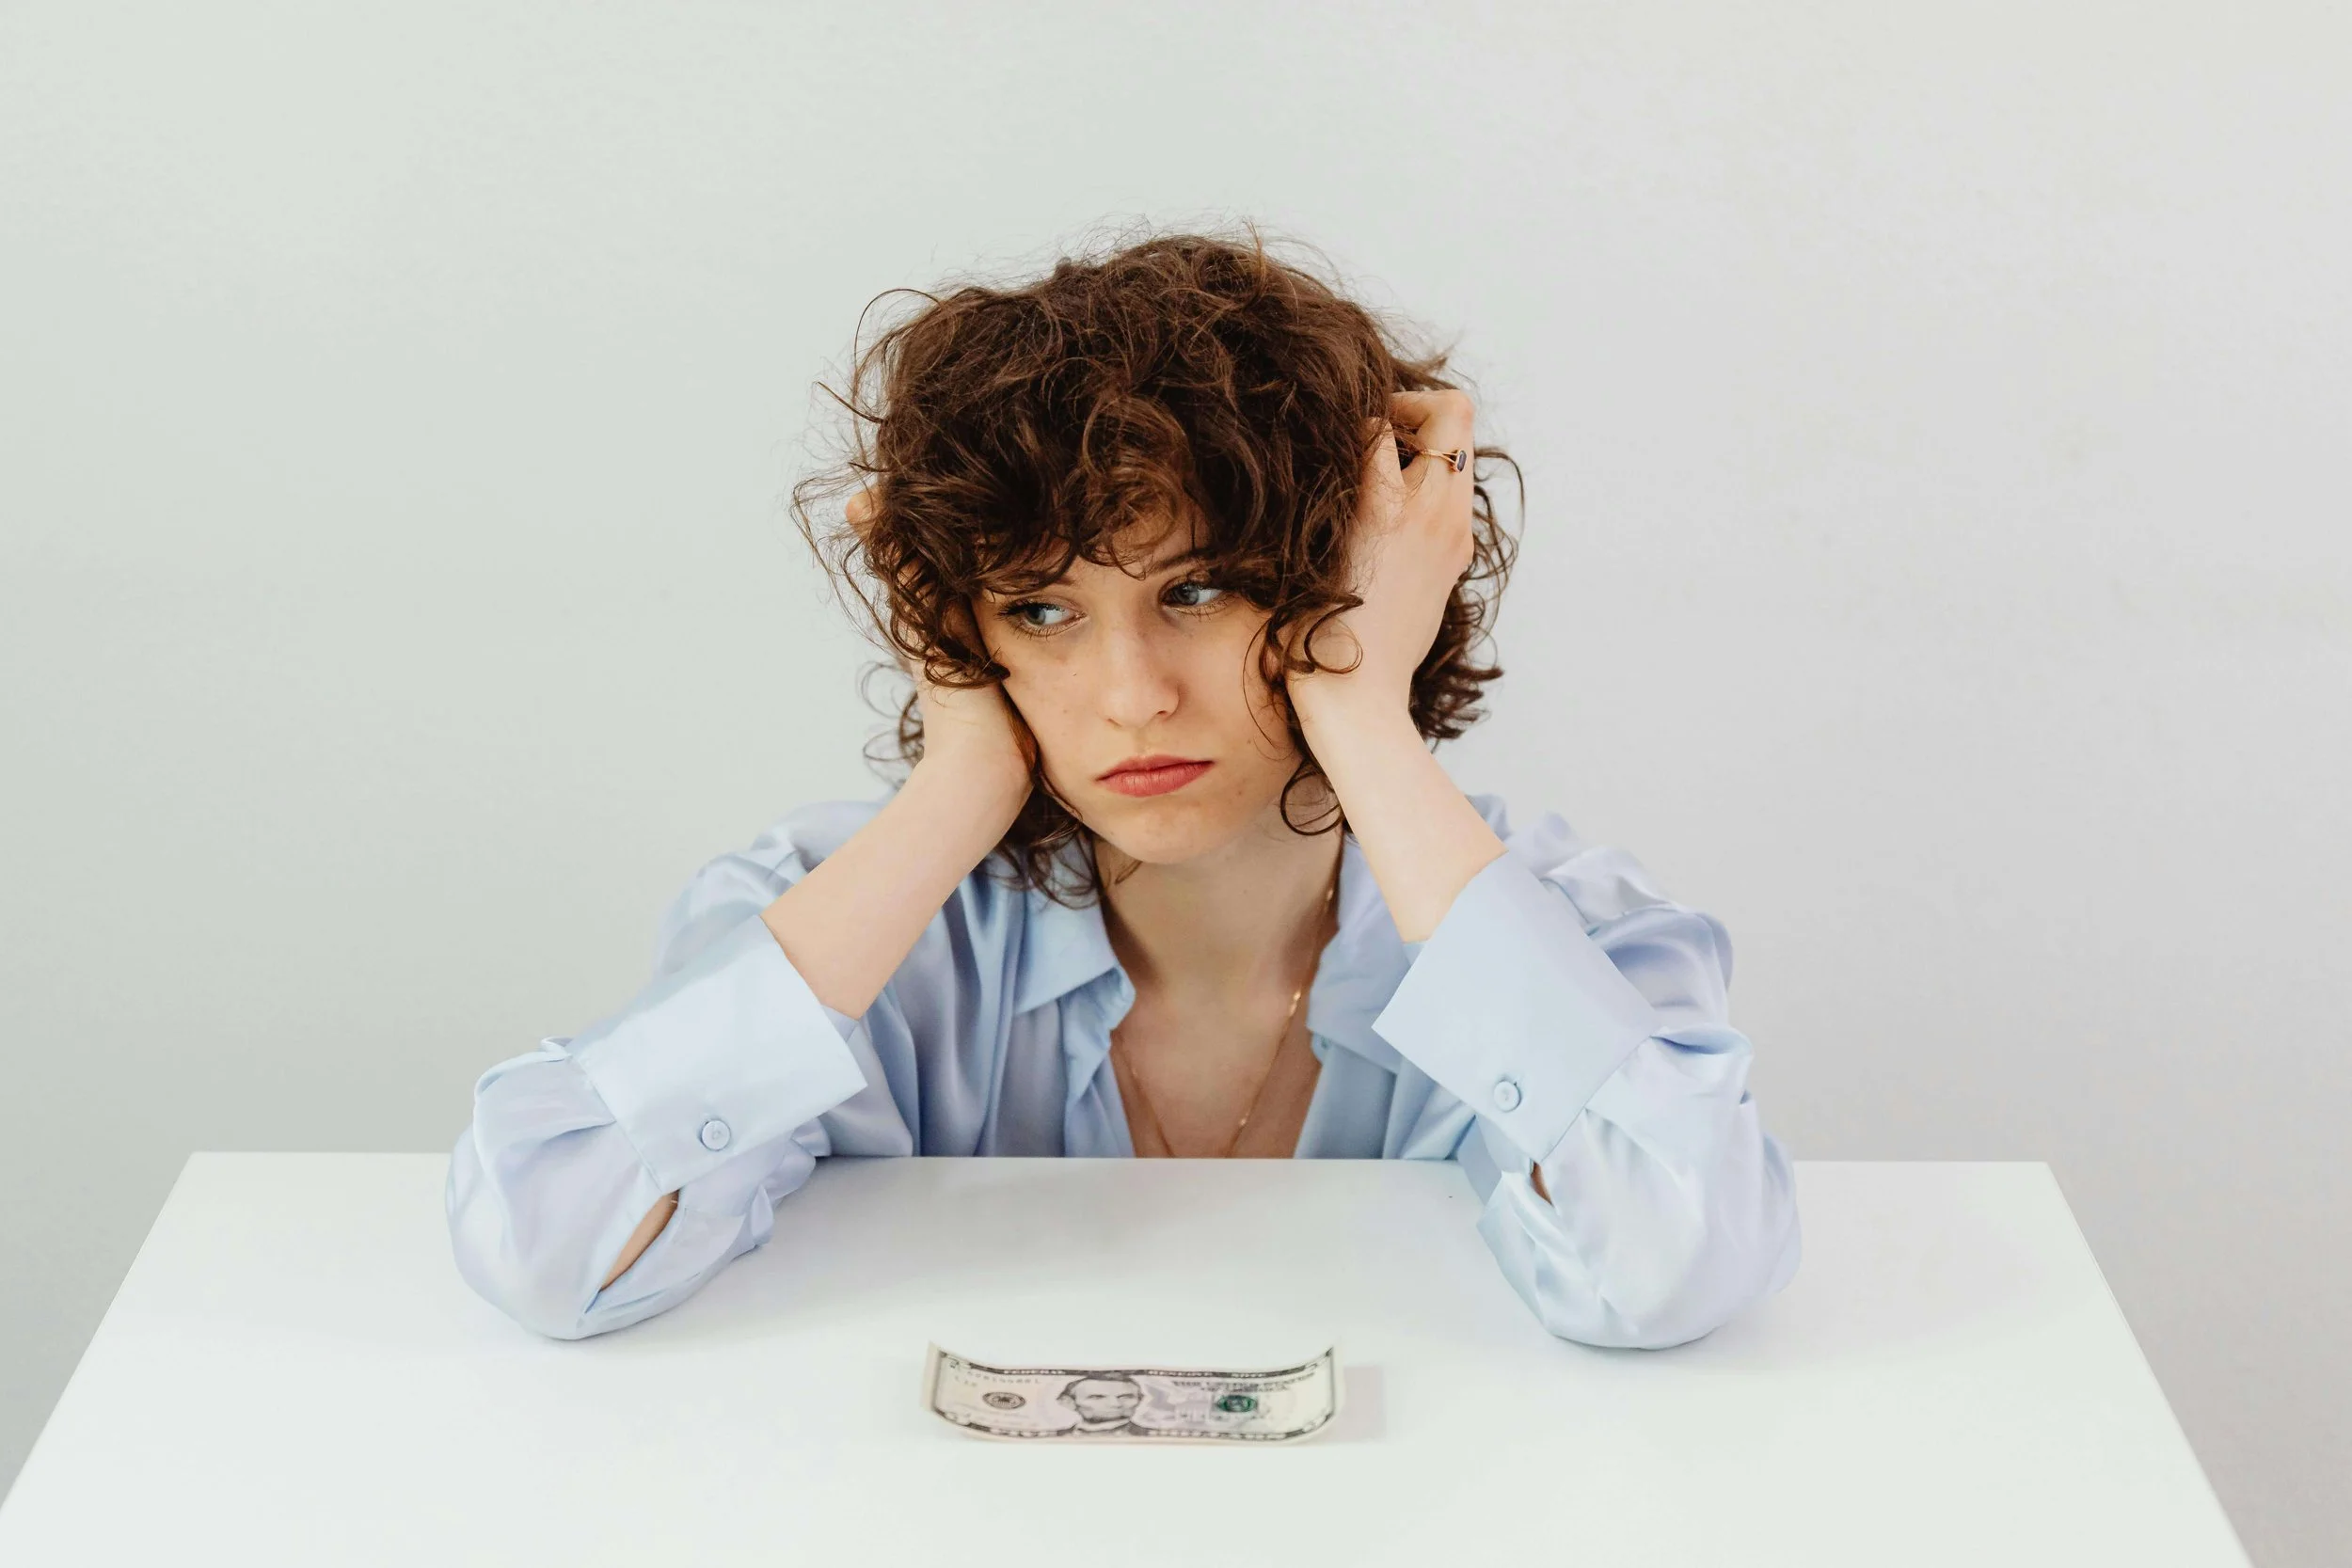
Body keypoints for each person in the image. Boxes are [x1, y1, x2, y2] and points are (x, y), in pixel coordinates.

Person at [444, 227, 1801, 1351]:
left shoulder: (1562, 931)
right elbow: (549, 1248)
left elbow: (1673, 1263)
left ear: (1359, 581)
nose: (1131, 694)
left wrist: (1358, 710)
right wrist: (957, 782)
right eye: (1040, 611)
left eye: (1198, 590)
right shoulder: (851, 923)